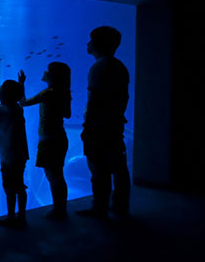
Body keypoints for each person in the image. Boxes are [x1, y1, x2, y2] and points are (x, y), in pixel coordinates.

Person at [76, 26, 131, 219]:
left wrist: (88, 125)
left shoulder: (99, 67)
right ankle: (120, 206)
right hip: (114, 124)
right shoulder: (119, 66)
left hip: (99, 127)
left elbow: (95, 99)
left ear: (99, 44)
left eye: (91, 40)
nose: (88, 44)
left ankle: (99, 207)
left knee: (99, 168)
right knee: (118, 167)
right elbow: (123, 98)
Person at [20, 63, 72, 220]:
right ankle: (60, 208)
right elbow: (67, 114)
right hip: (60, 137)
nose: (44, 71)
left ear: (53, 76)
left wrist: (21, 84)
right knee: (58, 175)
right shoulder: (64, 92)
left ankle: (58, 210)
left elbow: (23, 102)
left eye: (47, 70)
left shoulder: (47, 93)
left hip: (49, 140)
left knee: (53, 176)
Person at [0, 78, 30, 228]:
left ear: (5, 94)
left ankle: (11, 217)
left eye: (1, 87)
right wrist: (21, 85)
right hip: (20, 153)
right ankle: (21, 216)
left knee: (9, 187)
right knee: (19, 185)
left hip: (7, 155)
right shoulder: (17, 108)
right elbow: (21, 99)